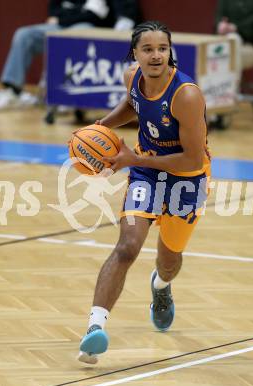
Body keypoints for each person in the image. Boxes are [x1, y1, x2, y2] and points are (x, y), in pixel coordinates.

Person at [76, 20, 211, 364]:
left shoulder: (187, 95)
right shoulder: (132, 77)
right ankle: (94, 328)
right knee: (126, 247)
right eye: (148, 49)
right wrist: (99, 128)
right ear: (134, 54)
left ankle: (161, 288)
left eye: (162, 49)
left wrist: (133, 157)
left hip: (187, 178)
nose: (156, 56)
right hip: (145, 174)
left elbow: (192, 158)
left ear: (170, 52)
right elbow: (132, 105)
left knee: (169, 261)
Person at [0, 0, 140, 111]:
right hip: (60, 26)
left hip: (86, 28)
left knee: (76, 34)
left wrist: (65, 16)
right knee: (24, 35)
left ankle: (66, 96)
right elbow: (53, 11)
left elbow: (93, 17)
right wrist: (73, 15)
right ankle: (13, 91)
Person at [212, 0, 253, 129]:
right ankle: (213, 110)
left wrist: (236, 28)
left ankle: (222, 112)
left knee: (228, 57)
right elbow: (220, 16)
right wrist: (220, 26)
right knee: (218, 56)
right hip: (230, 45)